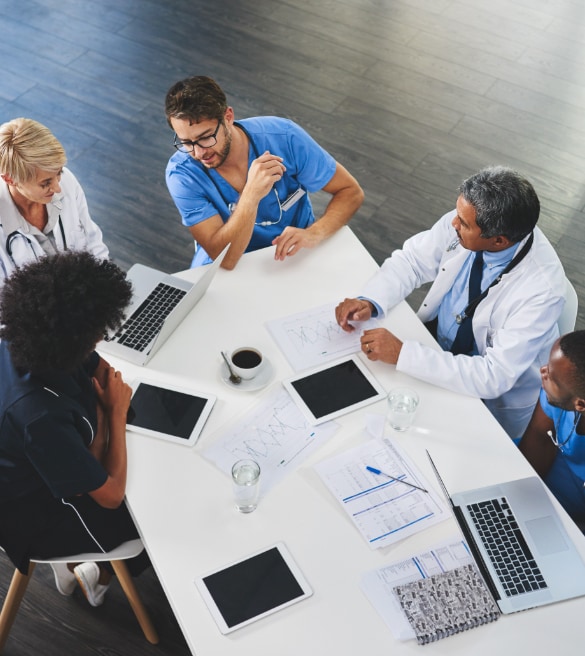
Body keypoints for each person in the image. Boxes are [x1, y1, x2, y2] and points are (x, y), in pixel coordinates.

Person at [335, 166, 566, 438]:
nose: (453, 224)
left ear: (498, 241)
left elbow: (494, 376)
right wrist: (371, 300)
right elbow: (412, 261)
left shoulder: (542, 291)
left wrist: (403, 354)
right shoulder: (466, 219)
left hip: (484, 392)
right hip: (436, 346)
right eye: (457, 215)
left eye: (464, 224)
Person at [0, 251, 147, 607]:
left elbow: (103, 373)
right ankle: (94, 577)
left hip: (48, 462)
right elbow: (110, 496)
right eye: (96, 335)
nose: (99, 341)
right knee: (154, 524)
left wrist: (96, 439)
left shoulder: (30, 338)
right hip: (39, 515)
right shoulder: (39, 415)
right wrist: (112, 413)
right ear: (74, 340)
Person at [164, 75, 364, 270]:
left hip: (293, 252)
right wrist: (251, 195)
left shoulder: (284, 137)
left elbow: (350, 191)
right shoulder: (182, 175)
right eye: (186, 143)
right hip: (228, 262)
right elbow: (226, 260)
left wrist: (315, 233)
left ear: (228, 117)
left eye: (206, 137)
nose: (198, 153)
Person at [0, 117, 108, 283]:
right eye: (45, 183)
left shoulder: (66, 181)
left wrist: (105, 286)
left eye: (59, 173)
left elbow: (93, 242)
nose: (58, 188)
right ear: (10, 179)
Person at [519, 331, 585, 532]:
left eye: (552, 377)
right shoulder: (559, 396)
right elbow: (539, 435)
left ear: (580, 404)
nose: (543, 372)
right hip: (549, 467)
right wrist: (519, 496)